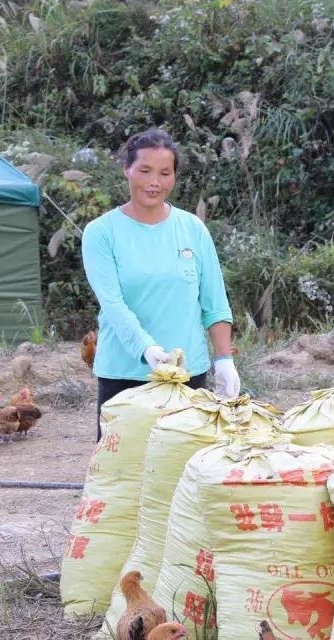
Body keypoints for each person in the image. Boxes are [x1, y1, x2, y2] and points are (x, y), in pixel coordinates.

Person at [81, 128, 240, 440]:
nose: (155, 182)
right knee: (122, 474)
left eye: (165, 173)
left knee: (180, 471)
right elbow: (112, 304)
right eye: (145, 170)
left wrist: (223, 360)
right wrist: (147, 349)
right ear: (127, 169)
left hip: (186, 376)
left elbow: (214, 302)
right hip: (124, 374)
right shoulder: (101, 233)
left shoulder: (192, 228)